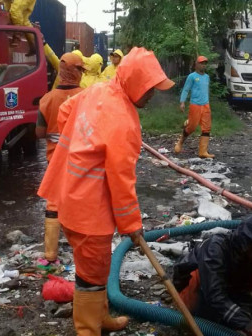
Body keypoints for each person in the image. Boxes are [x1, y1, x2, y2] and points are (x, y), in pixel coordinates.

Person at [37, 47, 175, 335]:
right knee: (91, 274)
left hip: (69, 195)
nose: (152, 95)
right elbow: (122, 182)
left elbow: (65, 112)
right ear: (135, 82)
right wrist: (132, 226)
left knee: (95, 268)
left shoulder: (98, 90)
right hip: (89, 209)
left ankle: (100, 317)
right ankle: (88, 329)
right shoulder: (124, 121)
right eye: (149, 89)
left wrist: (81, 141)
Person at [173, 213, 252, 336]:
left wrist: (243, 324)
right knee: (199, 276)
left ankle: (223, 321)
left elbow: (245, 293)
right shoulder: (215, 248)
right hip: (196, 290)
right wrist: (250, 326)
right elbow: (213, 294)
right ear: (247, 242)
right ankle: (196, 322)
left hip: (224, 289)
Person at [35, 52, 85, 263]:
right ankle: (81, 250)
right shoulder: (86, 96)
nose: (82, 74)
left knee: (54, 203)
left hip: (54, 160)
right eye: (81, 69)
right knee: (81, 201)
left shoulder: (47, 99)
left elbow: (39, 133)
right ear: (75, 72)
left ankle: (50, 253)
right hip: (81, 161)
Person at [174, 55, 214, 158]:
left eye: (205, 63)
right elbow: (186, 89)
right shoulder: (192, 76)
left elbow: (206, 90)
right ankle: (180, 142)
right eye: (201, 63)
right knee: (191, 127)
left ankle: (203, 151)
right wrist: (182, 102)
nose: (203, 65)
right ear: (196, 64)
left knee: (206, 128)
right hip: (195, 105)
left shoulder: (207, 77)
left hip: (205, 105)